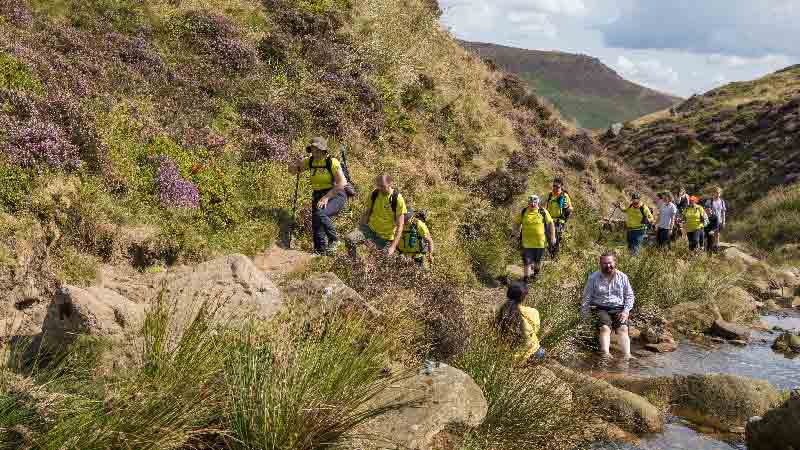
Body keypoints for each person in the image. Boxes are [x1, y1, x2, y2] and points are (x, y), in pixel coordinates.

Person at [288, 137, 347, 255]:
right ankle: (320, 252)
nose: (315, 153)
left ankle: (334, 240)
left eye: (318, 150)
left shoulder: (332, 162)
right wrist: (295, 163)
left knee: (321, 213)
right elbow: (292, 171)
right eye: (313, 150)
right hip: (318, 195)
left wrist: (326, 197)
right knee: (316, 223)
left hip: (336, 194)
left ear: (324, 150)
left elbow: (342, 183)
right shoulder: (310, 161)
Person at [581, 252, 635, 360]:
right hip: (600, 308)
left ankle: (627, 355)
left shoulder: (623, 277)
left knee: (623, 329)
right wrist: (585, 316)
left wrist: (626, 311)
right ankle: (605, 353)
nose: (608, 266)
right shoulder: (593, 278)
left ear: (615, 262)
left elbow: (630, 296)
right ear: (600, 264)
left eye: (610, 263)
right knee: (605, 328)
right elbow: (586, 298)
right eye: (604, 263)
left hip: (619, 308)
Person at [344, 173, 407, 256]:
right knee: (349, 239)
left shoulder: (397, 199)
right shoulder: (374, 194)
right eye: (378, 185)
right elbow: (367, 213)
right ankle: (354, 264)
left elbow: (400, 226)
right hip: (370, 229)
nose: (379, 188)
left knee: (378, 260)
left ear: (390, 184)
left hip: (386, 237)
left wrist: (392, 247)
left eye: (382, 186)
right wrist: (360, 229)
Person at [495, 282, 544, 363]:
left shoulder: (500, 312)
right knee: (541, 351)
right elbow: (536, 330)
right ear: (523, 297)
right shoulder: (532, 312)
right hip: (529, 356)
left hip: (506, 358)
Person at [513, 195, 555, 283]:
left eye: (534, 202)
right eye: (530, 202)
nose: (532, 204)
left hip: (540, 243)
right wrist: (516, 233)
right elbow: (516, 223)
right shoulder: (523, 212)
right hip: (526, 243)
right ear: (528, 202)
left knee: (537, 261)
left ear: (538, 202)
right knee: (526, 261)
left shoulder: (543, 211)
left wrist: (553, 236)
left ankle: (536, 274)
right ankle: (526, 279)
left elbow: (551, 223)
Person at [544, 178, 573, 259]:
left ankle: (554, 258)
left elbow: (571, 208)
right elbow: (544, 205)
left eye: (557, 186)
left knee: (556, 239)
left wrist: (567, 206)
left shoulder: (564, 196)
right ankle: (550, 256)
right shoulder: (550, 195)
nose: (555, 188)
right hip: (549, 221)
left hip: (559, 222)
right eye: (554, 186)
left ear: (561, 187)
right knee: (548, 239)